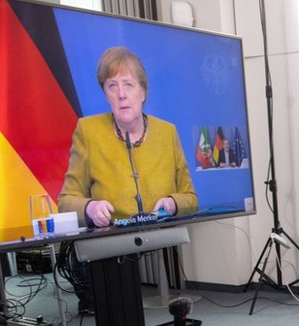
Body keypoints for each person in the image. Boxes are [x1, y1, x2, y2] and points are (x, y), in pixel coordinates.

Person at [58, 46, 198, 228]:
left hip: (162, 243)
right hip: (111, 248)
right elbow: (66, 202)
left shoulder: (167, 133)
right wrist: (90, 207)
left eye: (128, 84)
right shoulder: (88, 131)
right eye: (112, 86)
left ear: (143, 92)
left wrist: (172, 204)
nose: (121, 95)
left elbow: (191, 199)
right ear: (106, 95)